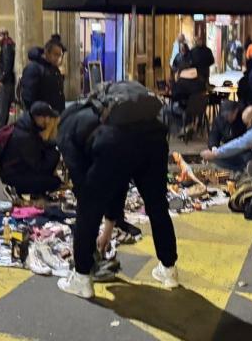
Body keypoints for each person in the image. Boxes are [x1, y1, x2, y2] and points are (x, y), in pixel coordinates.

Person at [56, 90, 179, 298]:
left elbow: (83, 185)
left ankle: (81, 277)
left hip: (116, 143)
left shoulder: (65, 132)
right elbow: (119, 178)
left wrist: (96, 213)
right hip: (155, 138)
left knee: (87, 206)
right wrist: (109, 225)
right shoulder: (102, 111)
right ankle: (169, 270)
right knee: (157, 204)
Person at [0, 101, 62, 198]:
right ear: (39, 117)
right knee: (54, 182)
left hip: (15, 170)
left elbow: (39, 145)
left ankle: (37, 193)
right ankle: (33, 192)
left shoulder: (27, 127)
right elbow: (39, 166)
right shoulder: (25, 136)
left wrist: (53, 145)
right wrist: (55, 154)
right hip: (14, 176)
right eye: (47, 117)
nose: (49, 121)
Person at [19, 39, 66, 112]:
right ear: (47, 52)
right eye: (56, 55)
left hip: (55, 115)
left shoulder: (54, 68)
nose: (59, 59)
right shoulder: (34, 68)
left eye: (60, 55)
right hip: (42, 117)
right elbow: (28, 96)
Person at [0, 29, 16, 129]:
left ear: (5, 35)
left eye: (0, 35)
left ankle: (0, 126)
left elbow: (7, 65)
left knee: (2, 103)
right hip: (7, 80)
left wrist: (1, 79)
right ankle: (1, 125)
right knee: (3, 104)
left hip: (5, 81)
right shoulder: (8, 45)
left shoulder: (6, 47)